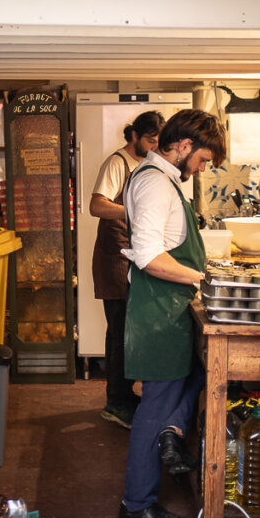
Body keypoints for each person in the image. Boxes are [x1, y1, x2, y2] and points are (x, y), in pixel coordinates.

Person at [116, 108, 227, 518]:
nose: (201, 168)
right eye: (201, 160)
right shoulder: (155, 185)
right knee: (152, 409)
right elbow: (148, 255)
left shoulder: (164, 180)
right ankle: (137, 503)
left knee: (199, 374)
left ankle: (174, 429)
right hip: (157, 313)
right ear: (182, 146)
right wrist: (204, 278)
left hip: (168, 308)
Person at [89, 110, 164, 429]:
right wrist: (135, 210)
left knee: (130, 333)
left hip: (133, 256)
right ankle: (116, 404)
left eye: (158, 141)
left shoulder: (146, 163)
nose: (154, 146)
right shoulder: (116, 163)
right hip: (115, 258)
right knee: (119, 332)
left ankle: (126, 397)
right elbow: (97, 206)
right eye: (149, 140)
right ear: (133, 135)